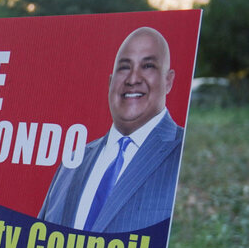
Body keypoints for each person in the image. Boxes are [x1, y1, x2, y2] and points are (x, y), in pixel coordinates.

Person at [39, 27, 183, 233]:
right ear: (110, 82)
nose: (133, 79)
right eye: (124, 67)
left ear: (168, 81)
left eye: (148, 66)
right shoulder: (72, 162)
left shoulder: (184, 152)